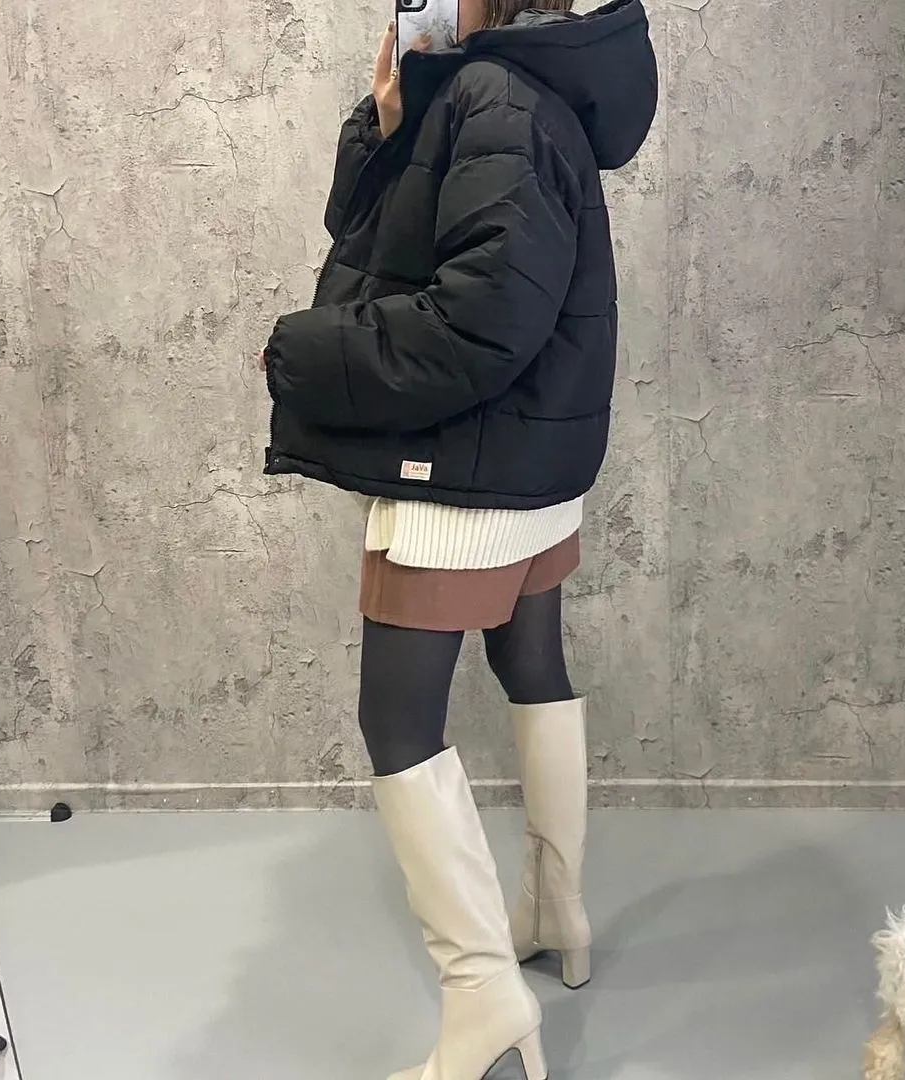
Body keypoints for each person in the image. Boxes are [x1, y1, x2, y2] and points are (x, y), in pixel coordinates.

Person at [260, 0, 657, 1076]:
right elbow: (380, 233)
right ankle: (557, 911)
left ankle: (483, 997)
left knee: (396, 723)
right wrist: (388, 120)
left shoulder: (497, 96)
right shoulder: (531, 88)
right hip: (530, 460)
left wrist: (302, 354)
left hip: (463, 470)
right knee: (533, 663)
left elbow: (478, 323)